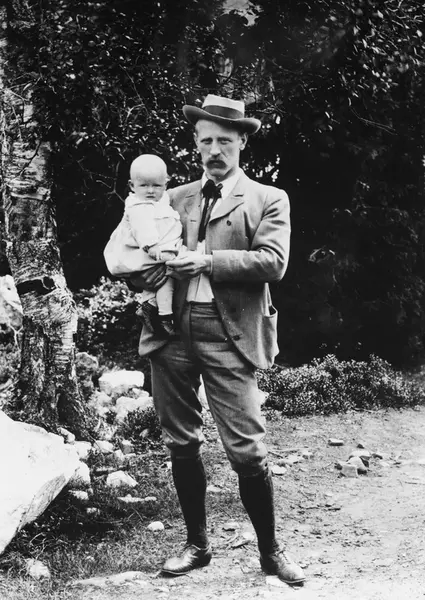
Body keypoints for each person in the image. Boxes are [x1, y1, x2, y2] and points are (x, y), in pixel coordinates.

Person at [128, 95, 306, 586]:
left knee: (247, 448)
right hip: (170, 332)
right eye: (205, 141)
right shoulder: (171, 196)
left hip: (230, 334)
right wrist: (142, 272)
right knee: (181, 441)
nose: (213, 151)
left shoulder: (268, 198)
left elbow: (273, 262)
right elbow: (133, 250)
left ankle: (270, 553)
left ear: (242, 141)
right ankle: (196, 545)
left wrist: (206, 262)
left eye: (224, 141)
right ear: (196, 142)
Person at [104, 154, 183, 337]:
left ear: (166, 184)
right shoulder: (138, 206)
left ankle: (150, 305)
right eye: (144, 185)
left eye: (156, 186)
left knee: (163, 277)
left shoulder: (161, 201)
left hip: (157, 250)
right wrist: (151, 245)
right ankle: (164, 315)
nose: (150, 191)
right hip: (146, 250)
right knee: (167, 275)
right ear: (132, 186)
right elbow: (143, 228)